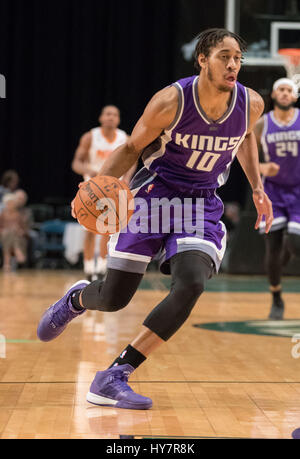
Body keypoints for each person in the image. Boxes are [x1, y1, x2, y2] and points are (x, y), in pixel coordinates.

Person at [37, 28, 273, 410]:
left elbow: (246, 138)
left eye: (238, 59)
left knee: (192, 282)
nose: (233, 65)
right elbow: (131, 147)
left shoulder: (251, 104)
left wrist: (258, 188)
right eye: (224, 57)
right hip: (152, 197)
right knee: (114, 298)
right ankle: (77, 299)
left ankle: (115, 375)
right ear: (202, 59)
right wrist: (96, 190)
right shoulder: (170, 101)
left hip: (200, 205)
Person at [71, 105, 136, 281]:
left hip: (114, 188)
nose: (111, 117)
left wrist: (127, 178)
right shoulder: (90, 137)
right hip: (92, 189)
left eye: (115, 114)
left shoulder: (125, 138)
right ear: (101, 118)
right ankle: (88, 267)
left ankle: (101, 268)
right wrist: (89, 170)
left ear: (119, 119)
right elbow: (76, 163)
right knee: (89, 229)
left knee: (108, 229)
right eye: (107, 114)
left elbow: (132, 161)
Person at [254, 78, 300, 320]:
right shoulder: (262, 124)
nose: (284, 93)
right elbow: (244, 153)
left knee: (294, 243)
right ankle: (276, 297)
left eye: (288, 90)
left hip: (299, 190)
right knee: (272, 247)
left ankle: (288, 250)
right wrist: (262, 167)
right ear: (273, 94)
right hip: (273, 191)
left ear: (294, 96)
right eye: (281, 89)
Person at [0, 193, 28, 272]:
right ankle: (17, 250)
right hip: (3, 235)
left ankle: (7, 262)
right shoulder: (2, 214)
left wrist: (20, 231)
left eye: (12, 203)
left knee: (12, 233)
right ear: (5, 204)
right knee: (8, 233)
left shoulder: (18, 215)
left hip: (16, 237)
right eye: (8, 203)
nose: (10, 205)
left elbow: (24, 229)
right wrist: (3, 231)